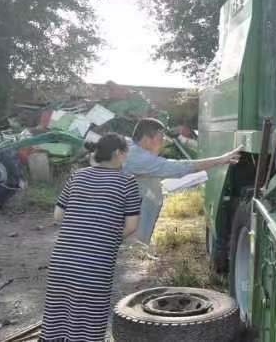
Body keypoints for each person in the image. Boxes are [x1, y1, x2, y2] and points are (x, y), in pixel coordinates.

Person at [40, 133, 141, 342]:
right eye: (126, 153)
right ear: (118, 153)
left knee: (57, 319)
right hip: (95, 266)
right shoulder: (127, 181)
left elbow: (58, 216)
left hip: (62, 261)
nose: (127, 157)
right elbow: (131, 227)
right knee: (87, 323)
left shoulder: (78, 176)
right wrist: (107, 239)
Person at [123, 118, 241, 243]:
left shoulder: (132, 152)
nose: (163, 143)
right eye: (160, 138)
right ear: (146, 140)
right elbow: (179, 167)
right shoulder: (137, 158)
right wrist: (221, 160)